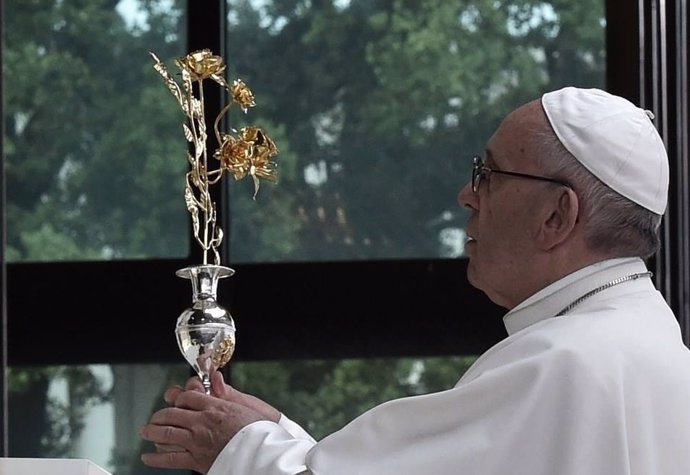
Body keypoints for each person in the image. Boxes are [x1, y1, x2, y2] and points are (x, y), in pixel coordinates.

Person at [139, 87, 690, 475]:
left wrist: (241, 449)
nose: (467, 195)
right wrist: (278, 436)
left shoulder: (563, 362)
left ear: (556, 217)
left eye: (489, 174)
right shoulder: (642, 345)